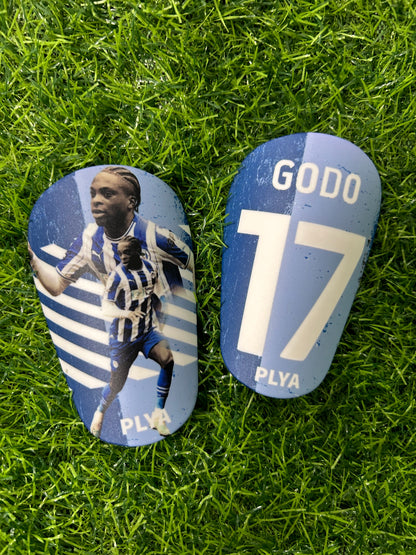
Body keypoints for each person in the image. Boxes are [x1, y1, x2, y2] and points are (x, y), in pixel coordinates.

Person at [28, 165, 194, 299]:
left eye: (107, 194)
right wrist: (34, 260)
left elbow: (191, 263)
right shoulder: (89, 241)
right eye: (93, 194)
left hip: (169, 321)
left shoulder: (154, 236)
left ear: (131, 202)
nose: (96, 201)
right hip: (128, 324)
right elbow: (57, 285)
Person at [90, 236, 173, 438]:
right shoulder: (117, 277)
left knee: (167, 359)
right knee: (116, 385)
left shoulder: (150, 268)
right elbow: (106, 307)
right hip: (123, 339)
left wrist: (161, 315)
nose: (123, 257)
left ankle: (158, 414)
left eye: (127, 252)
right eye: (120, 253)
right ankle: (100, 411)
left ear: (138, 250)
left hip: (146, 332)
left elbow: (155, 295)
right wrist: (126, 313)